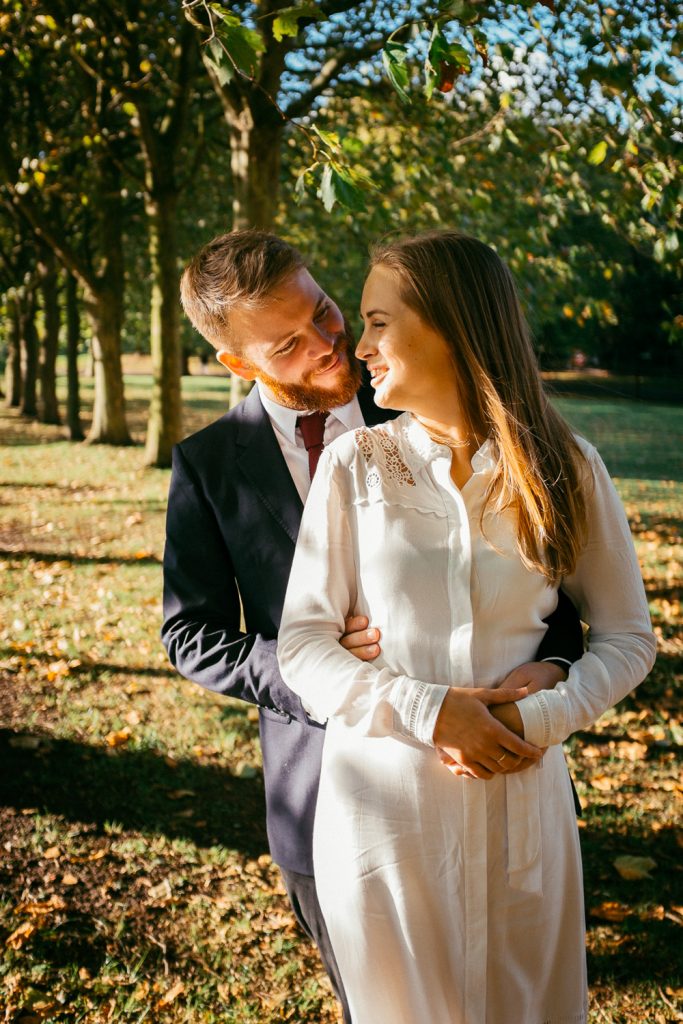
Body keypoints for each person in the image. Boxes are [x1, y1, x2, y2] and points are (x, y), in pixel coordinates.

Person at [162, 230, 585, 1022]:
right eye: (290, 343)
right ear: (239, 365)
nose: (332, 346)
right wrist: (319, 664)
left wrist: (554, 667)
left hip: (494, 776)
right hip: (326, 779)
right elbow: (190, 634)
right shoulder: (210, 464)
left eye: (325, 312)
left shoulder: (420, 406)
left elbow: (545, 585)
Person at [277, 230, 656, 1024]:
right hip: (384, 813)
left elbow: (627, 636)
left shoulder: (567, 464)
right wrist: (428, 710)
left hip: (524, 806)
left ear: (452, 323)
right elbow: (304, 646)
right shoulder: (353, 467)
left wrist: (541, 713)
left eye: (380, 322)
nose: (362, 346)